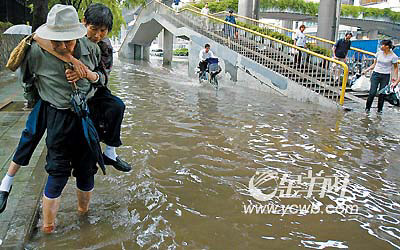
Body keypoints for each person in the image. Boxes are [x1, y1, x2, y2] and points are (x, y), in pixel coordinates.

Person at [0, 4, 131, 217]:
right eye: (93, 29)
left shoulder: (97, 47)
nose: (64, 46)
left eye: (102, 30)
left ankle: (110, 153)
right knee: (31, 137)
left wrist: (86, 75)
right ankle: (7, 183)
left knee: (114, 111)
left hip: (87, 105)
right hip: (52, 107)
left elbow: (101, 80)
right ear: (84, 24)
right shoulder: (35, 50)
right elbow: (28, 76)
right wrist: (39, 98)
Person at [362, 40, 399, 113]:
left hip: (385, 76)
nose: (381, 46)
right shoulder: (378, 53)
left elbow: (395, 68)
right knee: (372, 92)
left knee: (382, 94)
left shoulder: (393, 56)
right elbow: (374, 64)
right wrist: (366, 70)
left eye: (382, 45)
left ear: (387, 47)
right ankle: (367, 108)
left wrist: (395, 77)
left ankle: (379, 110)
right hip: (376, 74)